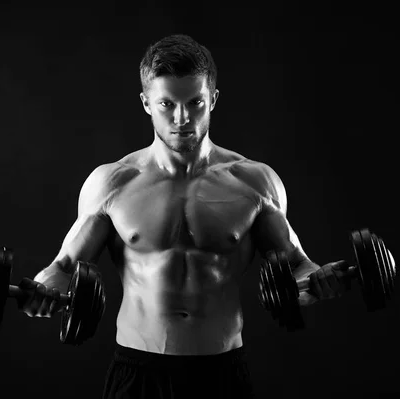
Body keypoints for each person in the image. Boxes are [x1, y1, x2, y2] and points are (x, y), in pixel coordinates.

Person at [18, 34, 352, 399]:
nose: (182, 118)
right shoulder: (112, 183)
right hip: (138, 373)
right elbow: (65, 267)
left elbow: (295, 267)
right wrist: (41, 293)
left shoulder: (255, 182)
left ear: (214, 99)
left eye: (195, 102)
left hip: (221, 374)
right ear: (146, 103)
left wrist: (319, 281)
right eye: (167, 104)